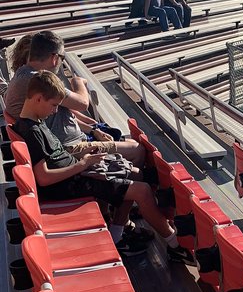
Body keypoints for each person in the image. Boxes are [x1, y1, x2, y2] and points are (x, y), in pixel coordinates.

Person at [11, 70, 172, 249]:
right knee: (143, 191)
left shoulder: (35, 121)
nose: (55, 111)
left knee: (135, 174)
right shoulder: (32, 131)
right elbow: (44, 177)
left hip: (74, 175)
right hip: (68, 185)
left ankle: (117, 234)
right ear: (39, 98)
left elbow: (54, 157)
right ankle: (175, 245)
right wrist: (83, 164)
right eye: (54, 105)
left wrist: (84, 156)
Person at [8, 32, 143, 165]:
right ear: (54, 58)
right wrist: (78, 82)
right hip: (69, 147)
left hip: (72, 140)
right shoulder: (38, 81)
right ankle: (130, 176)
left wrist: (92, 130)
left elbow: (61, 115)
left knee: (131, 143)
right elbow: (82, 103)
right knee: (138, 150)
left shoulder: (24, 74)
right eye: (62, 58)